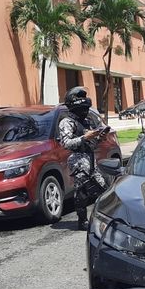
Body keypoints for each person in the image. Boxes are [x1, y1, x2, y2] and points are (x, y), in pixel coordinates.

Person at [58, 87, 108, 230]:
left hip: (90, 159)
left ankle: (101, 218)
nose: (85, 112)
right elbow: (66, 143)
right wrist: (84, 137)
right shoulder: (67, 122)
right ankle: (82, 221)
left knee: (103, 189)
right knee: (82, 192)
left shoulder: (86, 121)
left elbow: (92, 144)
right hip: (78, 161)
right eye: (83, 109)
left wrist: (99, 137)